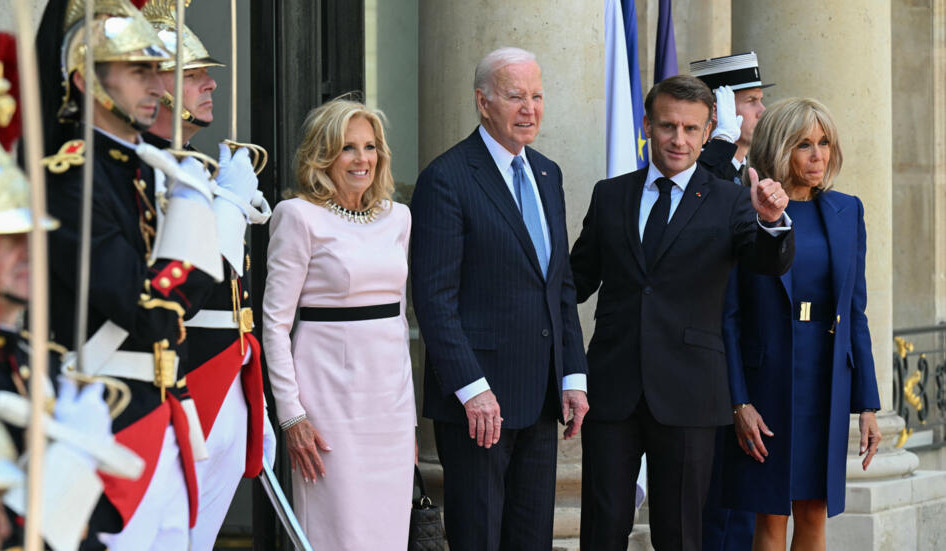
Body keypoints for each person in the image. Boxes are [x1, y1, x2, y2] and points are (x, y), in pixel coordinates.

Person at [569, 74, 794, 551]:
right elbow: (576, 281)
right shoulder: (610, 195)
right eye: (668, 126)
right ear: (647, 125)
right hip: (612, 388)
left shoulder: (732, 200)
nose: (679, 139)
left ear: (709, 131)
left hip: (691, 392)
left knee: (681, 535)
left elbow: (765, 262)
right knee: (602, 530)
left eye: (692, 129)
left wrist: (772, 223)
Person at [36, 0, 226, 548]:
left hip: (161, 407)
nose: (154, 84)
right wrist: (196, 223)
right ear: (85, 80)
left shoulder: (148, 170)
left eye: (156, 70)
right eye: (137, 70)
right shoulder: (74, 178)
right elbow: (147, 311)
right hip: (109, 413)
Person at [410, 47, 589, 551]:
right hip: (477, 405)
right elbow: (434, 297)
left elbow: (561, 285)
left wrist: (572, 376)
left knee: (531, 539)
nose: (529, 108)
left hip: (540, 397)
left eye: (536, 95)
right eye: (515, 96)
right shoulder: (446, 178)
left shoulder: (547, 174)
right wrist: (472, 388)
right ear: (482, 102)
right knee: (479, 539)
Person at [140, 2, 274, 548]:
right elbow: (190, 281)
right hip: (184, 372)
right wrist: (230, 208)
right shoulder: (151, 166)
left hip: (227, 372)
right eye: (193, 76)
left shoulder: (199, 163)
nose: (209, 87)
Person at [721, 98, 881, 551]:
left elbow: (855, 312)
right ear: (778, 147)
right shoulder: (746, 210)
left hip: (825, 380)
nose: (819, 155)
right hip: (767, 382)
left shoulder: (847, 211)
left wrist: (867, 404)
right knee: (770, 516)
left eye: (824, 142)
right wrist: (739, 401)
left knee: (814, 512)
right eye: (804, 144)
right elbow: (729, 316)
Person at [262, 97, 415, 549]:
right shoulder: (297, 216)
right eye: (348, 148)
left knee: (387, 535)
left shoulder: (398, 218)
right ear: (323, 154)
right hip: (329, 404)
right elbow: (274, 325)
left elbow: (398, 322)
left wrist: (407, 419)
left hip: (389, 405)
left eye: (370, 147)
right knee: (338, 534)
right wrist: (291, 415)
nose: (362, 159)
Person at [689, 51, 774, 551]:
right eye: (751, 101)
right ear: (720, 109)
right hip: (711, 369)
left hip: (749, 360)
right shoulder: (710, 174)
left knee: (742, 516)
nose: (762, 111)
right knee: (717, 519)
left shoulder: (751, 172)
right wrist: (716, 147)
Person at [691, 52, 772, 184]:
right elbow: (701, 191)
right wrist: (724, 139)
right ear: (716, 111)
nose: (763, 111)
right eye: (751, 101)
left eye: (761, 100)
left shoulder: (759, 172)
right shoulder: (691, 167)